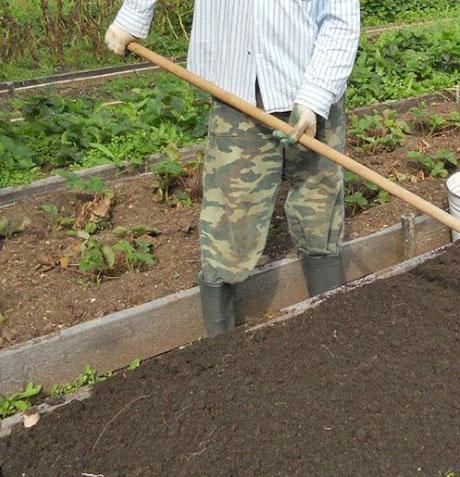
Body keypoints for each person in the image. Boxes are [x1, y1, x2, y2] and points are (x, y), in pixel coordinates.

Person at [105, 1, 361, 337]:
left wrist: (315, 97)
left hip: (310, 74)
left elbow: (340, 18)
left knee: (318, 199)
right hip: (236, 85)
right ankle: (221, 346)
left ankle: (331, 321)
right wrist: (135, 14)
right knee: (231, 208)